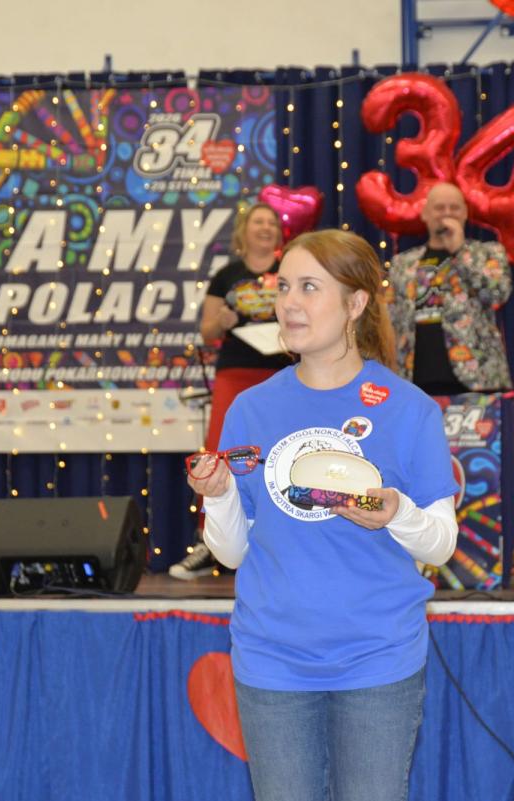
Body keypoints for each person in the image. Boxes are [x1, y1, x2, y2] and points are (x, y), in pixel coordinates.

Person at [186, 229, 459, 801]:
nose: (289, 302)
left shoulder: (409, 409)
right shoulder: (250, 408)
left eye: (309, 287)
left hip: (378, 660)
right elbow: (231, 553)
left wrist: (397, 513)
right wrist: (220, 495)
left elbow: (439, 544)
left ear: (355, 303)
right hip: (272, 662)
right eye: (284, 286)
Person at [169, 202, 291, 580]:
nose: (266, 228)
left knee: (283, 451)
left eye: (272, 222)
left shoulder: (288, 271)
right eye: (258, 222)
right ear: (244, 231)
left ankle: (282, 538)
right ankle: (209, 542)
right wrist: (221, 321)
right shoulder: (227, 276)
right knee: (219, 451)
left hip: (283, 374)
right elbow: (207, 332)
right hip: (236, 372)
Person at [387, 181, 514, 395]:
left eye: (454, 207)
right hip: (415, 380)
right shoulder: (402, 263)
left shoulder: (488, 253)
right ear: (425, 214)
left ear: (465, 213)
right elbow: (390, 318)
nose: (447, 213)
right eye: (439, 207)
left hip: (477, 378)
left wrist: (459, 250)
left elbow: (497, 293)